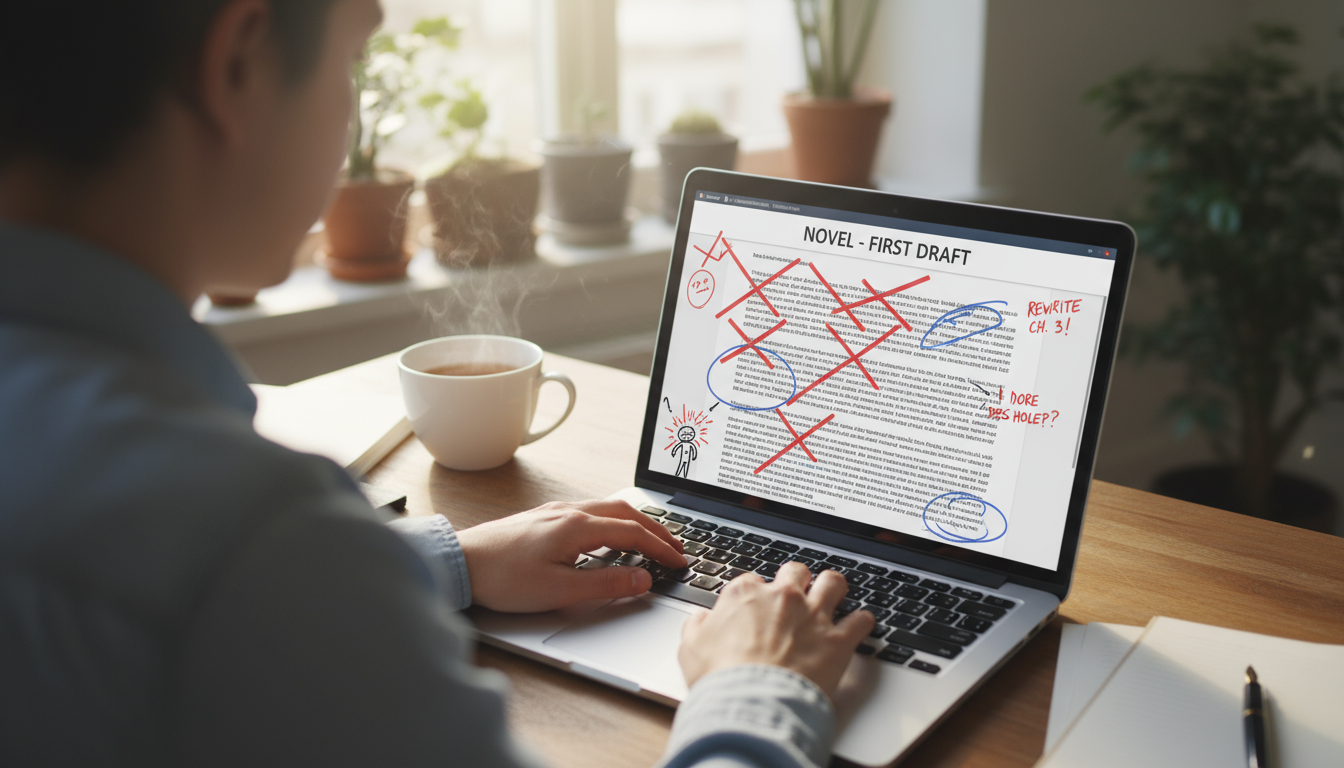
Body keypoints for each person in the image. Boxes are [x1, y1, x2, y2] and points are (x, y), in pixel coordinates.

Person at [0, 1, 874, 766]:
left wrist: (440, 563)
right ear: (236, 66)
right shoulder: (252, 537)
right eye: (353, 59)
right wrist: (757, 692)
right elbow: (238, 589)